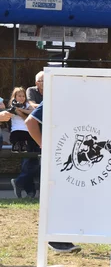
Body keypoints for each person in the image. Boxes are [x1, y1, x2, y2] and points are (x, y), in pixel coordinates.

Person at [25, 101, 81, 254]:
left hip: (72, 154)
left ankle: (62, 235)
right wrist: (44, 144)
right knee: (58, 196)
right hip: (59, 156)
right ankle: (56, 237)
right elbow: (30, 121)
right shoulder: (55, 95)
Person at [7, 87, 34, 153]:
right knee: (15, 141)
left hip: (26, 129)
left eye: (23, 96)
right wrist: (15, 109)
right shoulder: (12, 105)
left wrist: (21, 110)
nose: (22, 98)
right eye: (19, 96)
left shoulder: (26, 105)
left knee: (25, 144)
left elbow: (32, 111)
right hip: (15, 129)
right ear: (15, 97)